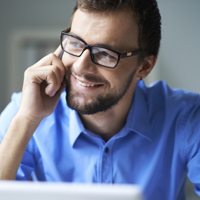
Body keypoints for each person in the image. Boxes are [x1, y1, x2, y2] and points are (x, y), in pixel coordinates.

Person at [0, 0, 200, 199]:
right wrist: (26, 120)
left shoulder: (185, 118)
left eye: (105, 53)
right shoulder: (25, 110)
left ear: (144, 67)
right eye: (76, 44)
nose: (80, 67)